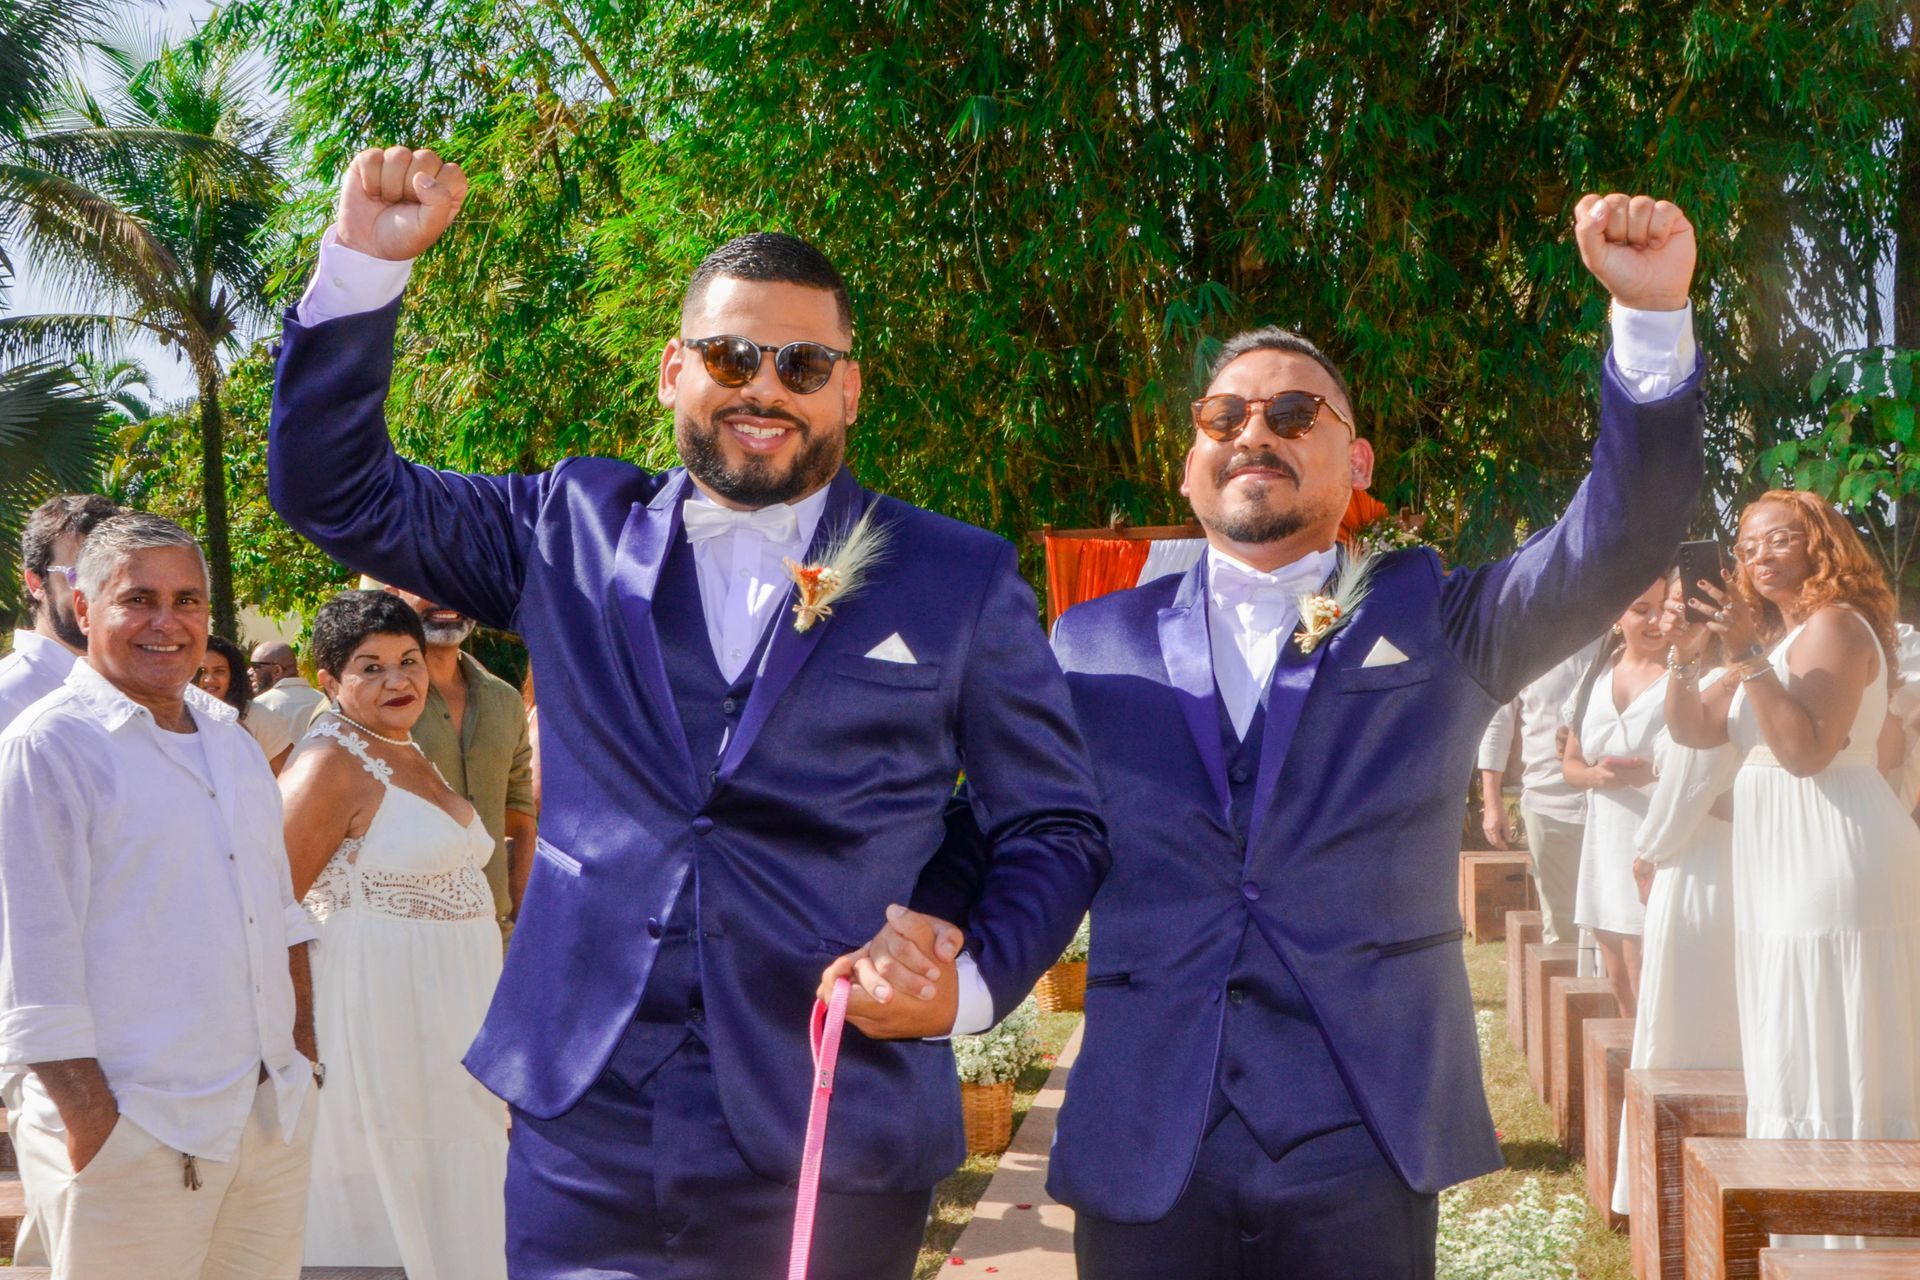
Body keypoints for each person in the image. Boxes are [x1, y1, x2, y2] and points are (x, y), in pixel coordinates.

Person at [268, 145, 1105, 1278]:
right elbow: (335, 488)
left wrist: (964, 984)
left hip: (831, 1103)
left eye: (804, 363)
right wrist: (365, 266)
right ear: (674, 370)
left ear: (851, 387)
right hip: (582, 1118)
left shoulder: (955, 576)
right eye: (731, 354)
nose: (766, 385)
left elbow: (1052, 821)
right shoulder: (564, 525)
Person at [855, 190, 1704, 1277]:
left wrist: (1648, 318)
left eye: (1297, 414)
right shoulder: (1084, 640)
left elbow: (1618, 534)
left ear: (1355, 462)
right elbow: (1005, 820)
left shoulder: (1435, 617)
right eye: (1224, 418)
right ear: (1188, 465)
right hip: (1147, 1136)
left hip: (1360, 1133)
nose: (1256, 431)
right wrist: (928, 935)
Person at [0, 512, 318, 1280]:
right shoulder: (48, 746)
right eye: (138, 599)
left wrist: (305, 1064)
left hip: (265, 1122)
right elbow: (32, 965)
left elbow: (281, 916)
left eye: (188, 601)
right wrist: (97, 1129)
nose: (167, 623)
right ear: (83, 608)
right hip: (136, 1134)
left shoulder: (234, 744)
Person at [1668, 490, 1920, 1249]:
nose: (1757, 556)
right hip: (1781, 872)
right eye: (1746, 547)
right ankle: (1808, 1233)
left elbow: (1807, 753)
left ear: (1821, 546)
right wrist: (1687, 660)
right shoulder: (1776, 644)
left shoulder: (1838, 628)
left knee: (1836, 1030)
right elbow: (1692, 730)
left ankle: (1862, 1237)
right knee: (1792, 1029)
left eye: (1779, 539)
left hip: (1837, 858)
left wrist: (1744, 656)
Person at [279, 590, 506, 1277]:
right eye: (370, 668)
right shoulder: (329, 761)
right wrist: (301, 1039)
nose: (398, 680)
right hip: (376, 1026)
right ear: (329, 682)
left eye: (408, 661)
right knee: (382, 1214)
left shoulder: (406, 749)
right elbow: (267, 904)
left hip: (450, 1023)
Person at [1608, 595, 1741, 1217]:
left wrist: (1648, 852)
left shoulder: (1717, 682)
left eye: (1682, 608)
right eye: (1664, 608)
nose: (1668, 620)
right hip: (1724, 855)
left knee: (1684, 1023)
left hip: (1701, 868)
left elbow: (1689, 786)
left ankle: (1675, 1192)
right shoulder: (1725, 677)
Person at [379, 582, 537, 932]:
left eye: (455, 579)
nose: (446, 595)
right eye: (427, 580)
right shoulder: (371, 702)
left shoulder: (505, 700)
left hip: (495, 934)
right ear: (393, 593)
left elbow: (520, 819)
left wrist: (522, 921)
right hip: (401, 937)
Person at [1564, 576, 1672, 1017]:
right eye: (1640, 609)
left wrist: (1652, 773)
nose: (1654, 620)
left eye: (1663, 608)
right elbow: (1571, 763)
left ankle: (1652, 1072)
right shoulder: (1597, 674)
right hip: (1604, 838)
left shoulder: (1686, 675)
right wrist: (1596, 776)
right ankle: (1632, 1077)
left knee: (1647, 967)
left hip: (1653, 837)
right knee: (1617, 976)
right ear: (1617, 618)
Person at [1476, 640, 1602, 945]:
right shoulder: (1525, 645)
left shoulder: (1613, 640)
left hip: (1612, 800)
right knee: (1561, 927)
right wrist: (1492, 802)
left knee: (1617, 922)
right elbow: (1497, 725)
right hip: (1548, 803)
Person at [0, 493, 120, 727]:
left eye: (114, 575)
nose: (101, 592)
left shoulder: (136, 683)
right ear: (36, 583)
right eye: (80, 574)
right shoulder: (9, 695)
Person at [199, 633, 296, 773]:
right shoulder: (179, 717)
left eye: (219, 671)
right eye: (201, 671)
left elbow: (288, 774)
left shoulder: (258, 716)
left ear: (234, 675)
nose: (208, 679)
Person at [250, 639, 327, 734]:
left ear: (277, 670)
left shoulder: (258, 706)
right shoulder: (323, 701)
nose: (250, 672)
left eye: (255, 666)